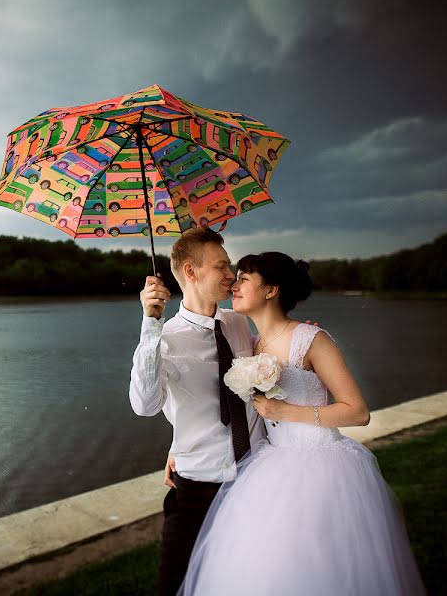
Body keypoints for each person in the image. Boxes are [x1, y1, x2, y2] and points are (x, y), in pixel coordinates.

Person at [179, 251, 425, 596]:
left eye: (244, 279)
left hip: (321, 467)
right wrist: (178, 450)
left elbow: (357, 411)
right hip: (270, 464)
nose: (234, 283)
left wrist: (286, 413)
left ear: (271, 291)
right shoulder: (250, 344)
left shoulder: (312, 339)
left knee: (321, 562)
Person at [129, 228, 266, 596]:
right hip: (195, 490)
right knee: (174, 586)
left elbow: (265, 376)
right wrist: (149, 324)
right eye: (221, 266)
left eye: (230, 265)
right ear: (190, 272)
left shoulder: (239, 322)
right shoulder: (164, 337)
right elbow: (144, 406)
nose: (230, 274)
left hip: (256, 480)